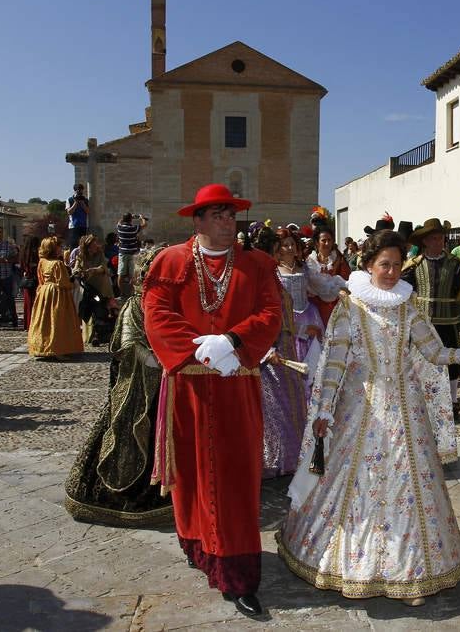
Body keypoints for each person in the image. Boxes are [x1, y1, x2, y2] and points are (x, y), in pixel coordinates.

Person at [277, 230, 460, 605]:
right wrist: (326, 408)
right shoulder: (352, 306)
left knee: (409, 488)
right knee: (357, 486)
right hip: (361, 410)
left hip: (406, 410)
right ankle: (354, 564)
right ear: (368, 265)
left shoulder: (407, 306)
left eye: (396, 265)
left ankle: (411, 572)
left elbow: (434, 352)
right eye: (384, 265)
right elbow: (334, 362)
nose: (391, 272)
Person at [143, 183, 282, 618]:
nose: (227, 222)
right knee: (190, 470)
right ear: (198, 221)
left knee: (237, 477)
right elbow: (156, 313)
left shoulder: (258, 263)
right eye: (218, 215)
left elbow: (271, 313)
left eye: (231, 215)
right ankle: (197, 543)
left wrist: (232, 341)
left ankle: (238, 575)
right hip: (187, 385)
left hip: (237, 383)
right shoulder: (171, 261)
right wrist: (199, 349)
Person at [64, 247, 173, 526]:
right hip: (138, 384)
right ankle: (122, 498)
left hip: (166, 383)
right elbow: (130, 344)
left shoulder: (170, 302)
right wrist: (161, 361)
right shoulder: (136, 304)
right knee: (129, 431)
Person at [251, 224, 308, 478]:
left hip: (285, 345)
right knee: (273, 408)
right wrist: (266, 351)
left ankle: (290, 456)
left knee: (290, 402)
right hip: (268, 350)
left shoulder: (272, 275)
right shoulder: (258, 279)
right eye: (274, 250)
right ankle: (272, 459)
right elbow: (252, 319)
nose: (277, 255)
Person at [403, 218, 460, 417]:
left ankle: (452, 400)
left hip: (448, 321)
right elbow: (404, 292)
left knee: (452, 361)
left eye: (441, 238)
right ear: (424, 241)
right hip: (421, 322)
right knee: (420, 360)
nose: (438, 242)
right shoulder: (414, 265)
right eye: (433, 239)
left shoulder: (455, 264)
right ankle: (422, 398)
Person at [275, 227, 345, 381]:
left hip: (309, 315)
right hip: (285, 319)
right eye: (285, 245)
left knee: (313, 358)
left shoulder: (305, 268)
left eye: (292, 244)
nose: (290, 248)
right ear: (278, 249)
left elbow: (321, 285)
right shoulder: (274, 270)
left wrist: (341, 287)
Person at [27, 237, 83, 359]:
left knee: (44, 321)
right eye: (59, 247)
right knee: (58, 320)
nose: (61, 249)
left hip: (44, 292)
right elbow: (63, 283)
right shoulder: (58, 263)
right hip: (57, 294)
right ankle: (58, 349)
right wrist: (72, 282)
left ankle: (42, 347)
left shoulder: (42, 261)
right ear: (53, 248)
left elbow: (40, 278)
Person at [73, 234, 116, 346]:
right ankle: (90, 335)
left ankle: (98, 335)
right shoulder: (81, 255)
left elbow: (104, 267)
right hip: (88, 289)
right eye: (92, 244)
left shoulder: (100, 254)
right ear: (87, 246)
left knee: (100, 309)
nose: (95, 246)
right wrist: (77, 271)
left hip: (100, 288)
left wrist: (95, 270)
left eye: (95, 243)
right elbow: (76, 267)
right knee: (88, 310)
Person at [307, 224, 351, 326]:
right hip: (315, 308)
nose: (327, 243)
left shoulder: (339, 260)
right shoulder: (310, 261)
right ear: (317, 243)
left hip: (337, 307)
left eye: (330, 240)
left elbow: (347, 283)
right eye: (323, 240)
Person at [116, 213, 148, 299]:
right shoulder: (133, 228)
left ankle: (122, 294)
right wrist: (141, 218)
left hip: (122, 253)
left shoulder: (120, 228)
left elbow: (119, 222)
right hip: (133, 254)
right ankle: (131, 294)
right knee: (132, 275)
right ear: (130, 220)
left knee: (121, 275)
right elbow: (144, 224)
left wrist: (130, 217)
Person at [19, 235, 41, 330]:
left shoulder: (24, 254)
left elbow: (22, 267)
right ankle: (34, 323)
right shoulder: (35, 254)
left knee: (28, 304)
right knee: (35, 303)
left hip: (27, 280)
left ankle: (28, 324)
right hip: (35, 280)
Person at [66, 183, 90, 249]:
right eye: (78, 191)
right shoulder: (69, 200)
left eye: (81, 191)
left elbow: (88, 212)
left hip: (83, 226)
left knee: (83, 246)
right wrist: (75, 202)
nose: (80, 193)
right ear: (75, 191)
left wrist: (82, 203)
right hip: (73, 226)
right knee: (74, 245)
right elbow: (69, 212)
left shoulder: (85, 200)